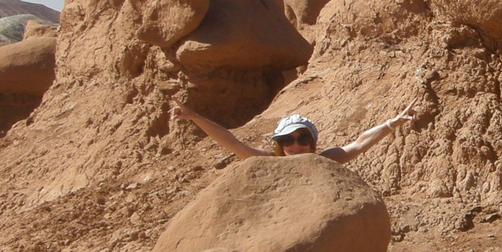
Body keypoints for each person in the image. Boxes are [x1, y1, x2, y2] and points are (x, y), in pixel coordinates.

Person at [172, 99, 416, 162]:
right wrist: (194, 117)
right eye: (287, 140)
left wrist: (391, 124)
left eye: (302, 138)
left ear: (312, 143)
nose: (295, 145)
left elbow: (359, 144)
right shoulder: (270, 161)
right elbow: (231, 142)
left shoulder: (325, 161)